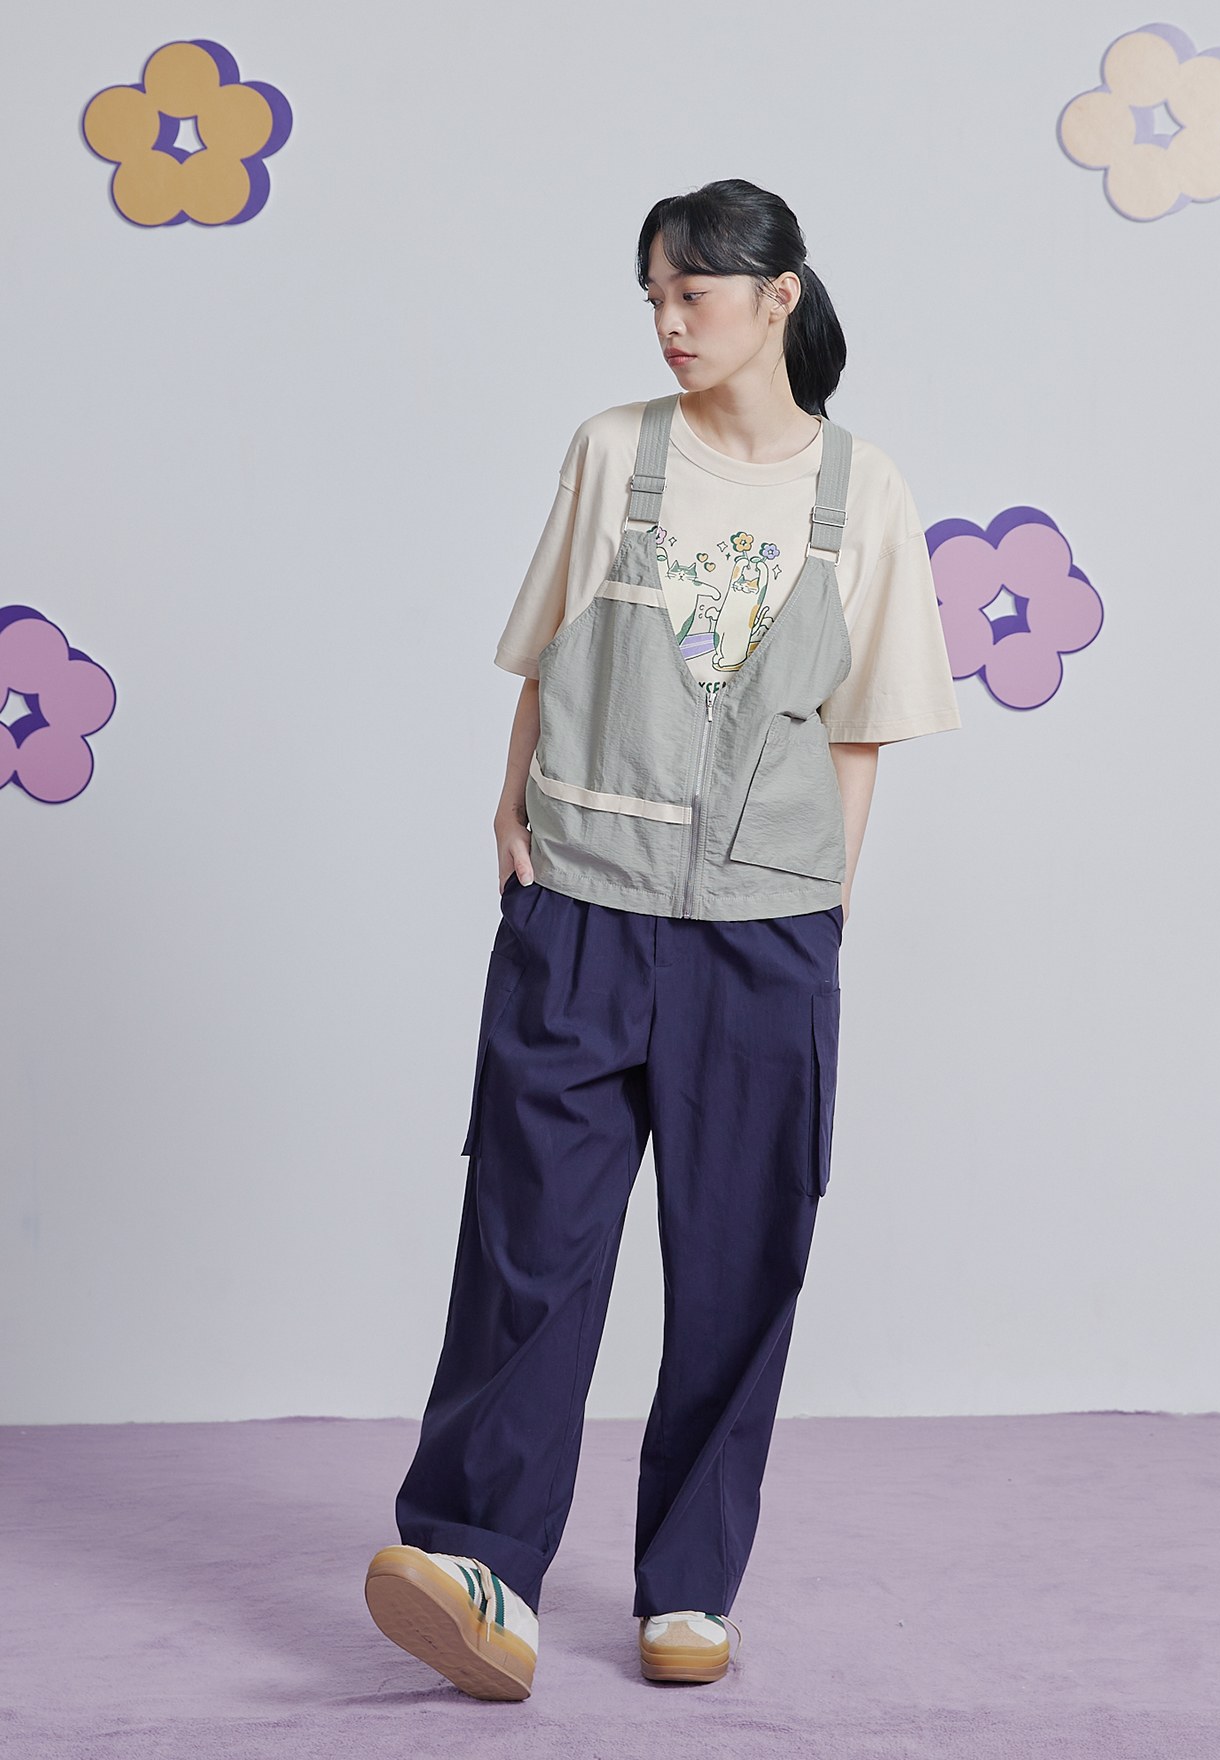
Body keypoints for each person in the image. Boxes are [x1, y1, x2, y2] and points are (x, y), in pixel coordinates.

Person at [364, 178, 961, 1701]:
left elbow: (861, 735)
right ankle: (476, 1563)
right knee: (527, 1246)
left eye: (694, 293)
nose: (669, 323)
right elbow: (543, 658)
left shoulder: (864, 493)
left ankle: (689, 1581)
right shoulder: (611, 451)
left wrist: (822, 910)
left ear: (779, 296)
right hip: (579, 910)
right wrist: (510, 812)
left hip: (764, 937)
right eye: (653, 297)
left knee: (742, 1261)